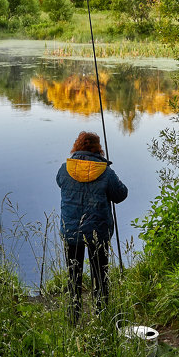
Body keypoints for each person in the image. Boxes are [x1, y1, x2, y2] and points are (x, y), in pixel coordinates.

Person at [56, 130, 128, 320]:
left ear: (77, 147)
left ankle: (74, 316)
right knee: (100, 274)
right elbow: (121, 195)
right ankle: (102, 315)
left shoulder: (65, 169)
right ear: (98, 150)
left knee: (74, 275)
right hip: (98, 233)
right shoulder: (106, 172)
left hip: (71, 232)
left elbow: (59, 183)